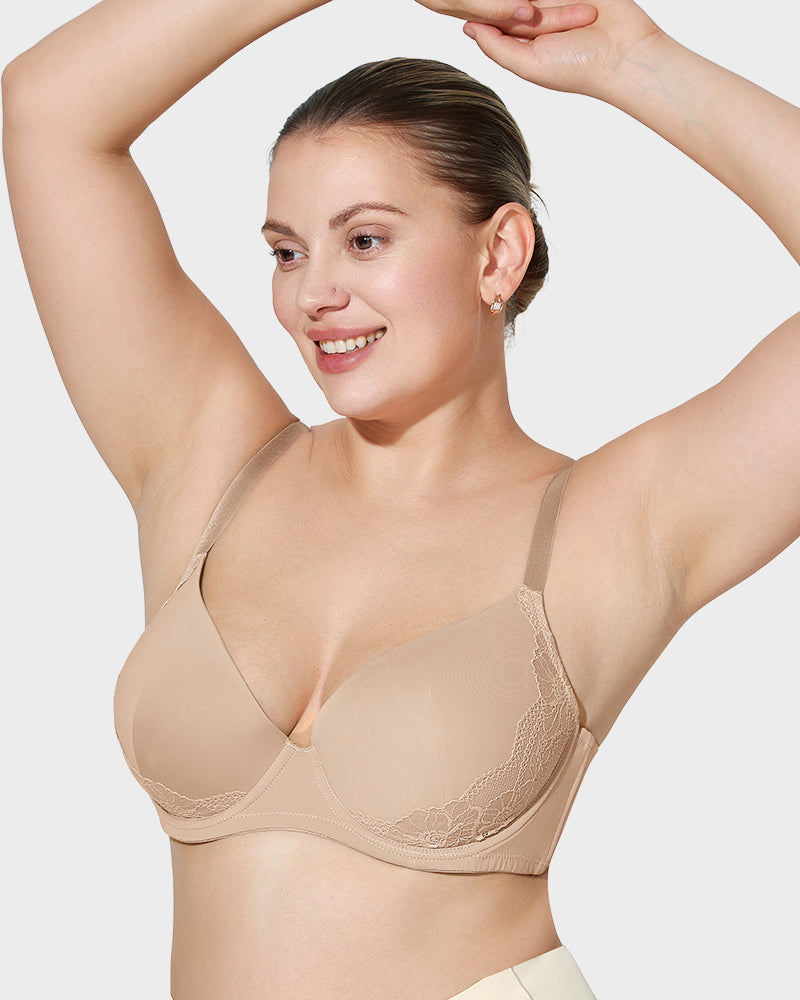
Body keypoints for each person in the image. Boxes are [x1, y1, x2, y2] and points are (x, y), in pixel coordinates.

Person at [2, 0, 798, 997]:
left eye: (366, 240)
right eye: (287, 251)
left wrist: (630, 60)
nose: (313, 295)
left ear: (497, 255)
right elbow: (47, 111)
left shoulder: (612, 523)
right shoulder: (207, 460)